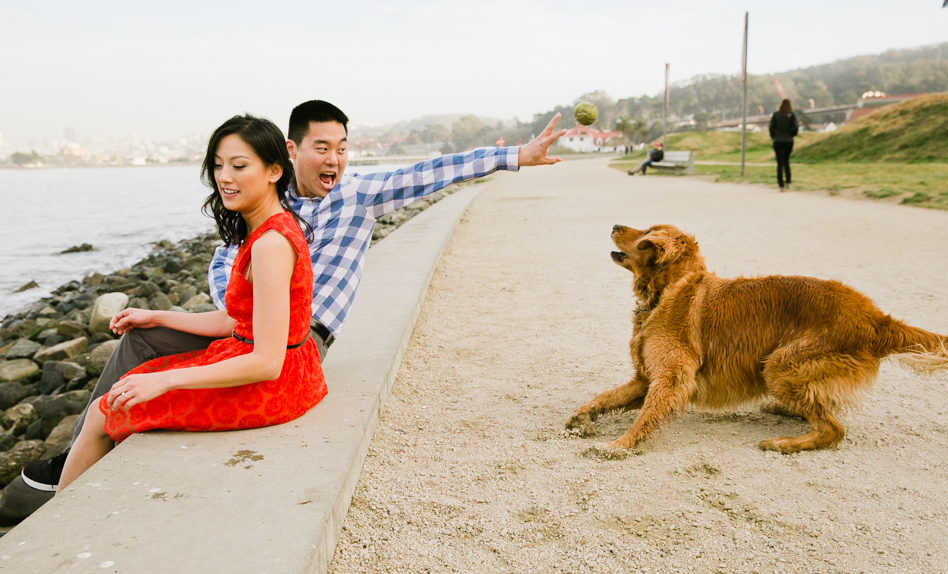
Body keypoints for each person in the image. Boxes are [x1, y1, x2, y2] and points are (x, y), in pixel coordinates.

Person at [18, 100, 565, 499]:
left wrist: (516, 155)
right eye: (322, 148)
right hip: (254, 331)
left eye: (343, 148)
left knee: (148, 383)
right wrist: (164, 315)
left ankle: (90, 446)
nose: (335, 159)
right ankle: (88, 446)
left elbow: (430, 171)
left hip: (299, 345)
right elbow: (234, 295)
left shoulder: (349, 200)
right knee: (141, 340)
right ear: (291, 152)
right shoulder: (260, 215)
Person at [57, 115, 326, 492]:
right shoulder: (268, 228)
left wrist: (164, 382)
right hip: (284, 370)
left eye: (239, 165)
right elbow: (239, 321)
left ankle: (55, 524)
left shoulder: (270, 245)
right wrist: (158, 316)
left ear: (274, 170)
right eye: (218, 165)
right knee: (124, 391)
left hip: (272, 387)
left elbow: (267, 362)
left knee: (104, 414)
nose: (224, 177)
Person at [769, 98, 799, 192]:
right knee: (786, 161)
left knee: (779, 163)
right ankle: (788, 182)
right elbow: (795, 128)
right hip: (788, 141)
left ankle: (781, 184)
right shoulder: (792, 115)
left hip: (777, 141)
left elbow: (771, 128)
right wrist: (791, 135)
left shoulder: (776, 115)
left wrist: (774, 136)